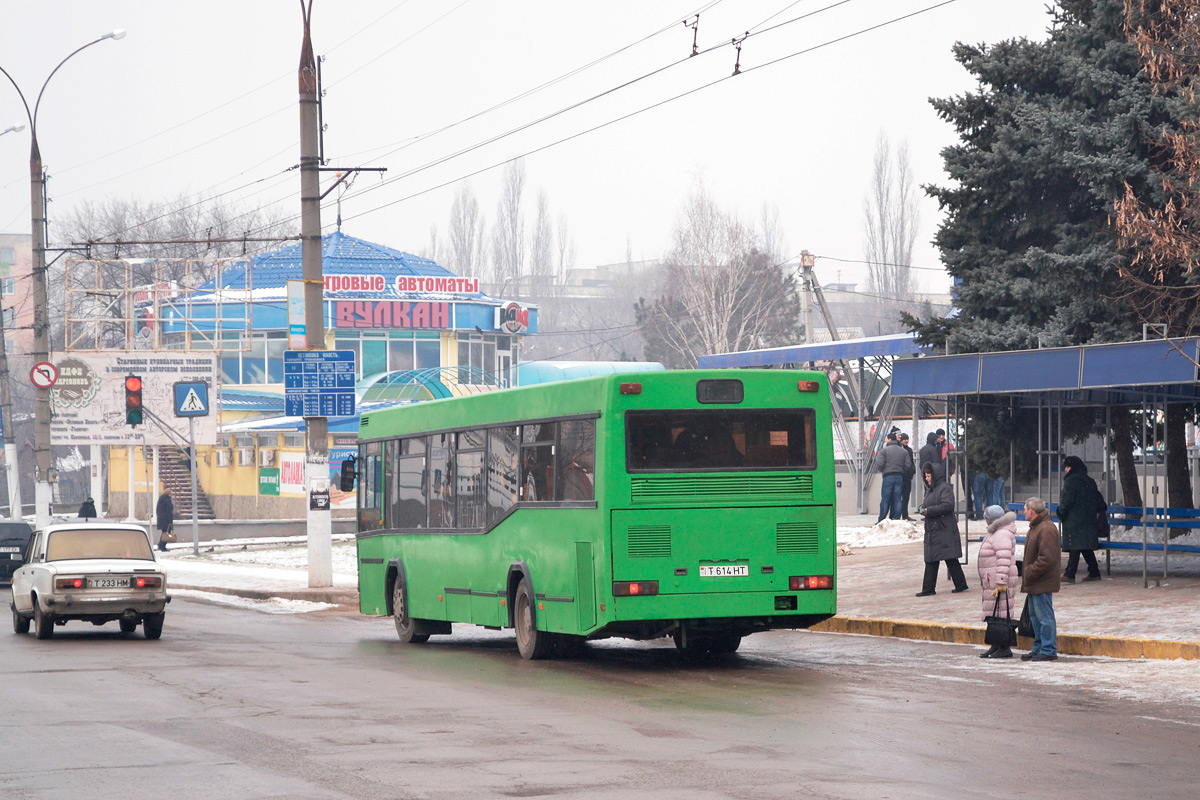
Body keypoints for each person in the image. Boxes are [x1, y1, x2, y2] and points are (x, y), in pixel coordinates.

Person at [915, 462, 969, 596]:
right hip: (934, 529)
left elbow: (948, 505)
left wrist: (929, 511)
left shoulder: (944, 488)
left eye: (929, 475)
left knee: (947, 558)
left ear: (935, 475)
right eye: (926, 476)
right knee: (935, 558)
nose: (927, 478)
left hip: (944, 528)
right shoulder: (930, 489)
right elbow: (930, 503)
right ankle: (933, 587)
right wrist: (923, 508)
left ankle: (956, 585)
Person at [1021, 496, 1062, 661]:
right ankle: (1039, 647)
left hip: (1041, 581)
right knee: (1035, 618)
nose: (1023, 512)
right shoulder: (1036, 527)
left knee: (1044, 617)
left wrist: (1030, 571)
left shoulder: (1046, 529)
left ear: (1031, 511)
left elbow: (1047, 558)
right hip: (1034, 581)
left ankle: (1049, 649)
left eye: (1024, 509)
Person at [977, 504, 1020, 658]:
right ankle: (995, 644)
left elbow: (1004, 558)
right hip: (992, 579)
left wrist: (1001, 581)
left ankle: (1004, 647)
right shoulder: (998, 532)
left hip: (999, 580)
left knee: (1002, 612)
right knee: (994, 612)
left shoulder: (1001, 534)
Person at [1057, 455, 1102, 583]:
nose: (1065, 470)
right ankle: (1094, 571)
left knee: (1074, 545)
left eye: (1066, 467)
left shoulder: (1071, 481)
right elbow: (1099, 501)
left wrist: (1061, 512)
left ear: (1071, 467)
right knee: (1084, 545)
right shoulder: (1089, 480)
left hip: (1074, 520)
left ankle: (1070, 573)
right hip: (1089, 520)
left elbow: (1067, 501)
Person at [875, 432, 909, 522]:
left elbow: (879, 464)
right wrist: (901, 471)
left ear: (889, 439)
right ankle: (896, 518)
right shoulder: (903, 451)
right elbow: (908, 465)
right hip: (899, 476)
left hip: (887, 476)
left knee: (885, 499)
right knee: (898, 498)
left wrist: (885, 470)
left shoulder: (884, 451)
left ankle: (882, 519)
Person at [898, 433, 916, 521]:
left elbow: (911, 462)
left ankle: (905, 514)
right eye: (904, 439)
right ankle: (898, 514)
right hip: (901, 476)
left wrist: (912, 471)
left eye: (907, 439)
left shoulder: (909, 450)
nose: (906, 441)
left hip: (908, 477)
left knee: (906, 496)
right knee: (898, 496)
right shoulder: (899, 450)